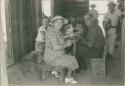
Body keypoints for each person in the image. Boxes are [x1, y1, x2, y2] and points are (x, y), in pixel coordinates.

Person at [44, 15, 79, 84]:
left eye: (61, 22)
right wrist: (66, 44)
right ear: (53, 23)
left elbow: (60, 39)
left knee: (70, 56)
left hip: (57, 55)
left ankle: (57, 71)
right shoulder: (52, 33)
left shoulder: (57, 31)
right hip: (52, 58)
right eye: (58, 22)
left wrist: (67, 40)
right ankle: (68, 78)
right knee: (72, 59)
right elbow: (56, 47)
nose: (60, 24)